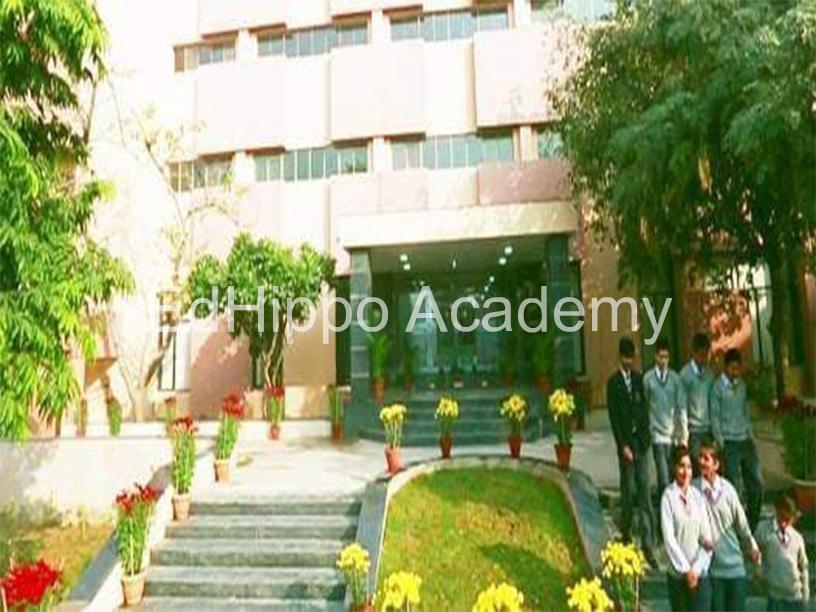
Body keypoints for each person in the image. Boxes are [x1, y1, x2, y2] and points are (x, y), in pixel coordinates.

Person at [607, 337, 659, 568]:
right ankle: (626, 536)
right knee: (628, 492)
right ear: (620, 357)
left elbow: (644, 411)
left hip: (641, 444)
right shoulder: (613, 383)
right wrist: (623, 446)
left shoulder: (639, 380)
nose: (629, 362)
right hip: (626, 446)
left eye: (632, 358)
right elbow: (615, 419)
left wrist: (645, 439)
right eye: (625, 358)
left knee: (645, 494)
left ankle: (649, 545)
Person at [695, 439, 760, 611]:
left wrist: (751, 546)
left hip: (735, 568)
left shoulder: (728, 490)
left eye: (706, 458)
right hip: (713, 572)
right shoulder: (694, 490)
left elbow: (742, 524)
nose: (701, 462)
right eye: (700, 457)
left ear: (716, 464)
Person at [710, 348, 764, 530]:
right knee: (734, 485)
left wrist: (751, 436)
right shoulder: (717, 387)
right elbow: (714, 416)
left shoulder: (741, 386)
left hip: (744, 440)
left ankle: (751, 524)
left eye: (738, 368)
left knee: (757, 483)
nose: (735, 372)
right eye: (732, 368)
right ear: (726, 367)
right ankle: (735, 527)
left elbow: (745, 412)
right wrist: (720, 442)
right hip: (729, 442)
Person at [661, 446, 713, 611]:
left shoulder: (697, 497)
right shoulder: (668, 497)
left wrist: (696, 570)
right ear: (674, 468)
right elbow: (669, 539)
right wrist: (686, 570)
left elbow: (707, 538)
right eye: (681, 466)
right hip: (678, 576)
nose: (685, 471)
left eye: (689, 467)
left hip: (699, 574)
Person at [644, 337, 688, 495]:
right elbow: (646, 405)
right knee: (663, 478)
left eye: (666, 357)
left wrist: (683, 434)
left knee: (673, 476)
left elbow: (681, 407)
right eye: (661, 357)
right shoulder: (648, 379)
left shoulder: (675, 380)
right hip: (657, 435)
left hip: (673, 436)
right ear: (655, 357)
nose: (664, 361)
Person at [755, 496, 810, 611]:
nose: (784, 523)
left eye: (788, 519)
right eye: (782, 518)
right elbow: (755, 553)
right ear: (777, 512)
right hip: (775, 595)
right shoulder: (764, 531)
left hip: (795, 595)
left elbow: (803, 566)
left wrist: (806, 593)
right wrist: (760, 573)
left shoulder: (797, 537)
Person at [680, 333, 714, 476]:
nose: (704, 358)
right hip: (693, 431)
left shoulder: (709, 374)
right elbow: (682, 405)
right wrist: (684, 433)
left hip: (708, 429)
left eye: (706, 354)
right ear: (694, 353)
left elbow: (713, 402)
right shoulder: (685, 375)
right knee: (696, 467)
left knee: (710, 468)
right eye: (701, 355)